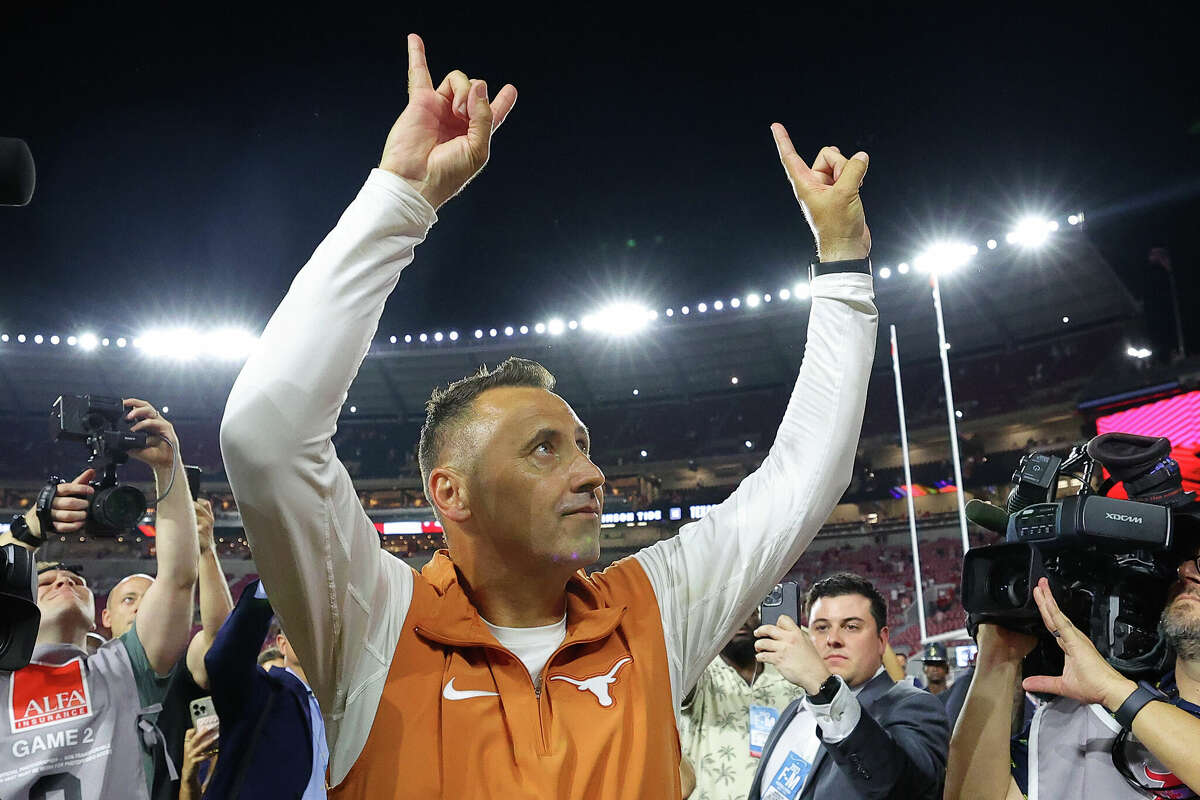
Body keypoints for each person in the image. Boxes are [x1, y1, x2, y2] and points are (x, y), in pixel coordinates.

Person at [220, 34, 878, 797]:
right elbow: (265, 437)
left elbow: (805, 475)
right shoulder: (375, 623)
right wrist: (401, 200)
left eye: (582, 445)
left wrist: (841, 264)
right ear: (450, 493)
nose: (592, 472)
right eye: (543, 450)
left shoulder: (654, 610)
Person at [0, 399, 200, 800]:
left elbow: (178, 578)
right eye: (46, 581)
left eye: (75, 580)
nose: (64, 583)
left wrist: (168, 467)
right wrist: (29, 529)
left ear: (99, 617)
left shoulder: (125, 667)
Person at [944, 530, 1200, 800]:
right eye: (1184, 561)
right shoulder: (1087, 717)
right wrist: (998, 658)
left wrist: (1114, 689)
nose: (1185, 571)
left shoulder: (1113, 695)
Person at [748, 573, 949, 799]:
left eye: (851, 627)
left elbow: (906, 790)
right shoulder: (793, 711)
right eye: (822, 628)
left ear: (882, 640)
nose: (833, 639)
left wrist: (825, 689)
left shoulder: (915, 706)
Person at [203, 580, 329, 799]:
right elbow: (224, 660)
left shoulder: (343, 708)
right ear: (282, 644)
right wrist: (273, 581)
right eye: (304, 627)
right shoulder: (262, 692)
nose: (317, 636)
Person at [150, 496, 235, 800]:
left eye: (146, 598)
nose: (142, 608)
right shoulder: (97, 675)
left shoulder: (176, 672)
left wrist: (205, 549)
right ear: (106, 617)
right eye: (129, 600)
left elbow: (221, 642)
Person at [679, 612, 804, 799]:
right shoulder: (700, 674)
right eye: (732, 613)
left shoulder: (788, 676)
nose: (742, 619)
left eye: (749, 611)